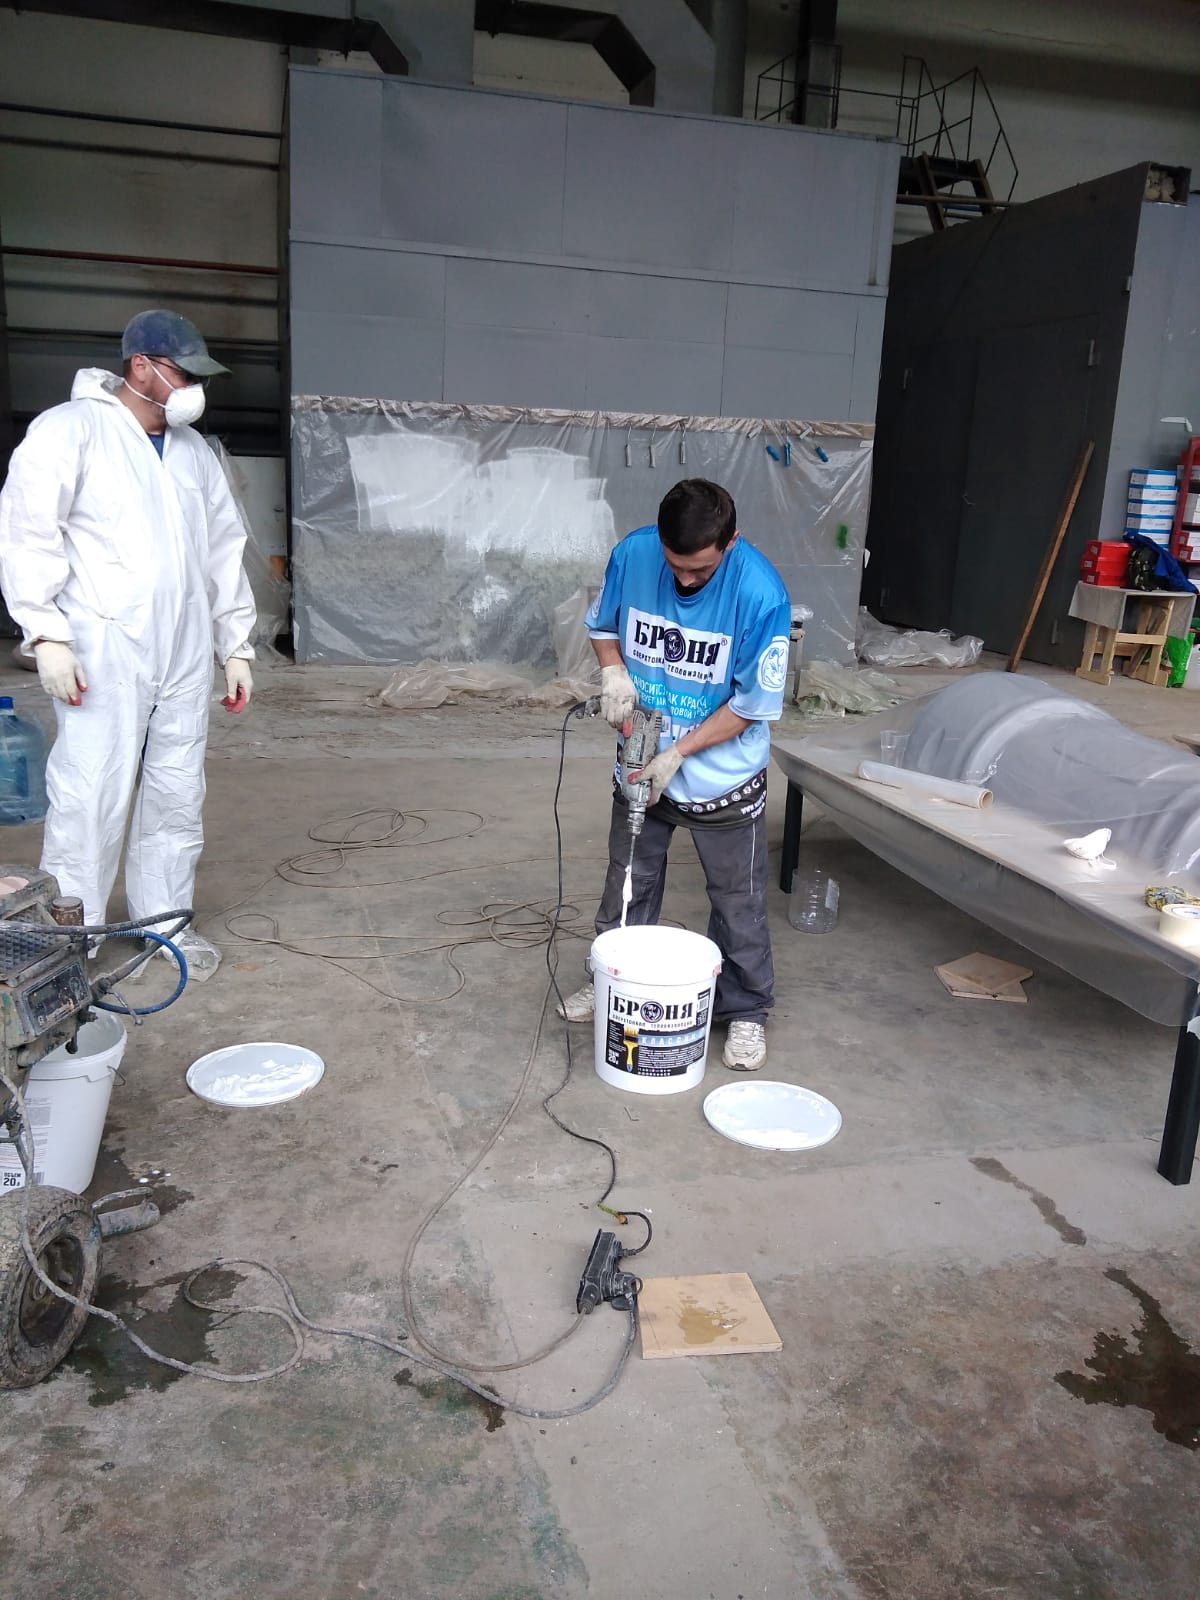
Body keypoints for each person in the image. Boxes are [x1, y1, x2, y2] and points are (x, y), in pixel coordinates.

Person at [0, 309, 257, 979]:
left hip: (182, 646)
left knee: (176, 789)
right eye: (183, 374)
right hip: (103, 642)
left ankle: (162, 923)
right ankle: (72, 937)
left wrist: (235, 643)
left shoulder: (194, 452)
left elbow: (224, 549)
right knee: (90, 791)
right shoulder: (71, 431)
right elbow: (29, 533)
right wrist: (47, 633)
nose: (193, 389)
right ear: (140, 367)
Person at [560, 478, 792, 1071]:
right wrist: (613, 672)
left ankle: (746, 1009)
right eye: (675, 566)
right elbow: (603, 627)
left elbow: (750, 706)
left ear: (731, 542)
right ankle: (612, 979)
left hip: (722, 778)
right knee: (627, 882)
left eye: (700, 570)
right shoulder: (635, 553)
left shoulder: (760, 594)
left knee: (737, 902)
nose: (685, 580)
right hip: (641, 757)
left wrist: (679, 753)